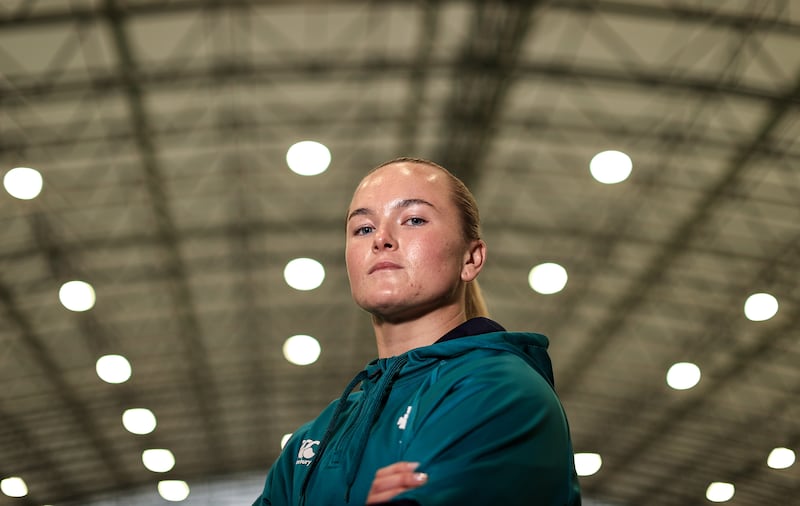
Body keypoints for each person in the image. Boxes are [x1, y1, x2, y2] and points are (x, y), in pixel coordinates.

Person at [253, 157, 582, 505]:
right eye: (363, 228)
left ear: (471, 259)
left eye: (413, 220)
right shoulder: (315, 438)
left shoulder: (500, 392)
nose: (381, 239)